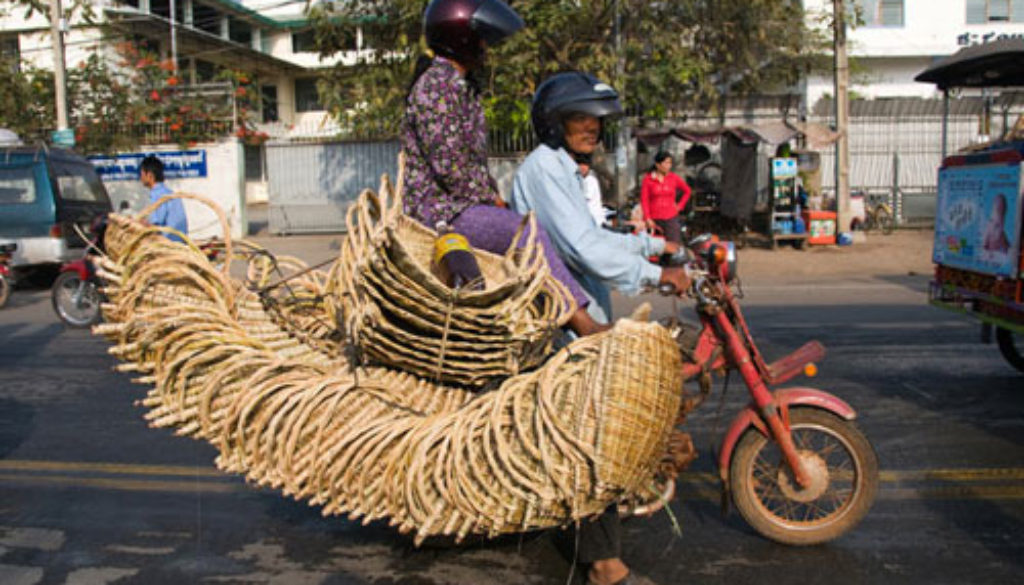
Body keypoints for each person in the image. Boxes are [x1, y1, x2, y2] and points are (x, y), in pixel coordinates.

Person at [509, 71, 688, 585]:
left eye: (596, 120)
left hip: (584, 306)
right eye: (580, 118)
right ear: (554, 122)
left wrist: (659, 247)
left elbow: (593, 235)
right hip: (562, 319)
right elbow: (584, 251)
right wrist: (658, 275)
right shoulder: (545, 168)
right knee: (593, 436)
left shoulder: (566, 168)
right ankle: (605, 566)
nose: (591, 128)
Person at [400, 0, 607, 336]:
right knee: (525, 232)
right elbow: (451, 167)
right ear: (461, 37)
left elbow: (469, 164)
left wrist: (490, 195)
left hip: (459, 204)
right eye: (482, 39)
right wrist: (489, 199)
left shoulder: (458, 85)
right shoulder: (437, 86)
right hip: (440, 211)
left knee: (529, 232)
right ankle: (584, 324)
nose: (486, 49)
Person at [640, 151, 691, 245]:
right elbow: (644, 200)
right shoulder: (648, 180)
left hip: (670, 217)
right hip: (654, 219)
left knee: (674, 245)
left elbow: (687, 191)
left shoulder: (673, 178)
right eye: (666, 163)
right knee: (653, 247)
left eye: (670, 163)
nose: (668, 166)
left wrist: (680, 206)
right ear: (658, 165)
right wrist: (647, 218)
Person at [139, 155, 188, 243]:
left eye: (142, 174)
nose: (140, 178)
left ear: (150, 175)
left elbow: (155, 227)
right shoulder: (169, 192)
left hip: (168, 243)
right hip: (181, 241)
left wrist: (139, 223)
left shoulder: (157, 195)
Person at [578, 154, 607, 227]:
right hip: (589, 221)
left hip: (595, 221)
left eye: (585, 165)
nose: (582, 167)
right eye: (580, 165)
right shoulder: (582, 180)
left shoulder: (590, 180)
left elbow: (584, 198)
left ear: (589, 166)